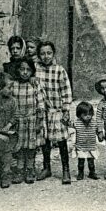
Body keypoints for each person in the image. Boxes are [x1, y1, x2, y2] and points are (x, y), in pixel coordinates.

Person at [35, 40, 72, 184]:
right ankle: (46, 167)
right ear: (38, 55)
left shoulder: (59, 70)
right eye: (42, 53)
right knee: (45, 141)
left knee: (61, 141)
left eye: (49, 53)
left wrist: (66, 109)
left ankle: (66, 170)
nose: (46, 56)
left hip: (57, 111)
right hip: (43, 111)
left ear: (53, 53)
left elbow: (66, 90)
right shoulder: (36, 69)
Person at [9, 56, 47, 184]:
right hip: (18, 121)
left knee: (31, 148)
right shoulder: (13, 85)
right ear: (18, 70)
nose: (25, 72)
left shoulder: (34, 84)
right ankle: (20, 170)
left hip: (32, 120)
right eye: (22, 69)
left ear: (32, 71)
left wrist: (39, 122)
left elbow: (41, 104)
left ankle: (30, 169)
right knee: (19, 147)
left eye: (28, 70)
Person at [74, 101, 98, 180]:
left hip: (91, 146)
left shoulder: (94, 122)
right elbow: (69, 126)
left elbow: (98, 130)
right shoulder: (76, 123)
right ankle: (80, 173)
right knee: (81, 162)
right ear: (79, 115)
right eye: (85, 115)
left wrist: (101, 134)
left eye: (90, 114)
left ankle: (92, 172)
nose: (88, 116)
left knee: (91, 162)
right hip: (81, 146)